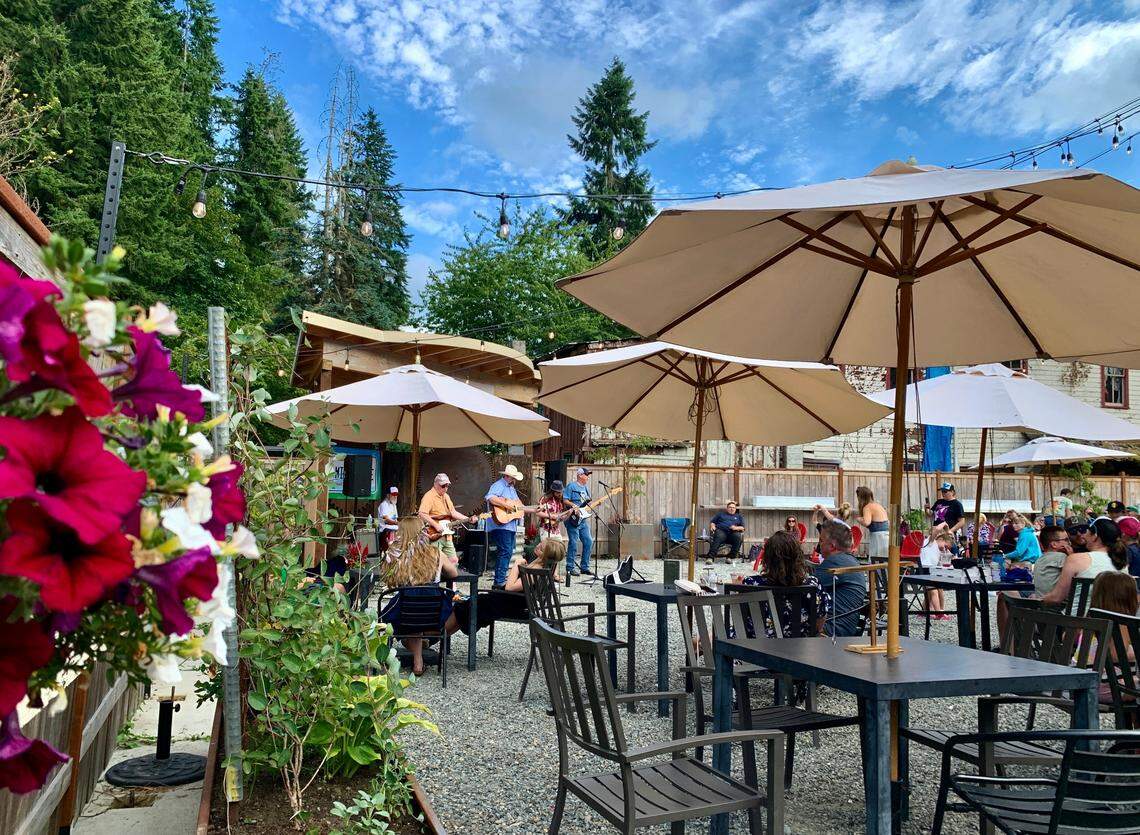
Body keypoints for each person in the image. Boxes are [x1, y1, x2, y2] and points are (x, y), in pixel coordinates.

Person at [380, 517, 458, 675]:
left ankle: (416, 658)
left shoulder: (395, 554)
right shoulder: (435, 553)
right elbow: (453, 573)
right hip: (433, 612)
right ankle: (423, 646)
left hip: (406, 612)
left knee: (409, 607)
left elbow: (386, 578)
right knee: (460, 609)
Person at [445, 538, 567, 637]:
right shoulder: (542, 564)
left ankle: (440, 634)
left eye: (541, 548)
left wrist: (516, 565)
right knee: (468, 606)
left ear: (546, 555)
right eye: (540, 543)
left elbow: (510, 587)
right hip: (512, 600)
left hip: (510, 603)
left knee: (470, 605)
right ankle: (443, 635)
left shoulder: (536, 570)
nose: (537, 546)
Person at [734, 530, 828, 638]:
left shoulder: (750, 584)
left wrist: (738, 591)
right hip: (800, 645)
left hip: (758, 645)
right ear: (798, 557)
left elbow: (740, 618)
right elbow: (820, 621)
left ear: (767, 558)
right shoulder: (813, 584)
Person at [1040, 517, 1129, 606]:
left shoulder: (1074, 559)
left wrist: (1039, 599)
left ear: (1095, 536)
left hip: (1080, 614)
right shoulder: (1121, 561)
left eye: (1085, 531)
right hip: (1111, 613)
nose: (1082, 535)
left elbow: (1056, 598)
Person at [1088, 571, 1138, 704]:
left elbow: (1066, 637)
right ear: (1129, 598)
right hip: (1108, 687)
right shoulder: (1121, 623)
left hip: (1085, 682)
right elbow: (1116, 654)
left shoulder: (1090, 617)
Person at [814, 520, 867, 637]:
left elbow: (802, 587)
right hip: (843, 627)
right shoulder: (849, 560)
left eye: (821, 541)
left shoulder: (835, 563)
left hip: (831, 631)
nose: (819, 545)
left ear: (832, 546)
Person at [485, 464, 526, 590]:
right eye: (513, 478)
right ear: (507, 476)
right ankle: (499, 581)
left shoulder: (512, 489)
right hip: (502, 526)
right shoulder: (499, 485)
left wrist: (535, 509)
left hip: (510, 525)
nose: (514, 480)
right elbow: (490, 497)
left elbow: (519, 507)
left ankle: (500, 579)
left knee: (507, 552)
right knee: (505, 551)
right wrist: (508, 506)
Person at [418, 473, 468, 565]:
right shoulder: (429, 496)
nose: (445, 488)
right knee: (434, 562)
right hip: (435, 535)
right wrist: (436, 525)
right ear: (435, 484)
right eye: (443, 486)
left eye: (447, 486)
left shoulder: (446, 496)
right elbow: (422, 513)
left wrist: (468, 519)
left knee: (453, 560)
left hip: (447, 535)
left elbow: (453, 512)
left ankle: (446, 574)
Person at [563, 467, 594, 576]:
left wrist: (593, 505)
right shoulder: (571, 486)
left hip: (583, 520)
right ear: (580, 475)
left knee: (588, 541)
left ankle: (584, 567)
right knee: (573, 542)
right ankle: (570, 567)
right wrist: (573, 505)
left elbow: (587, 503)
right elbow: (565, 500)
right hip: (573, 519)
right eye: (586, 474)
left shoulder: (585, 488)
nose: (588, 477)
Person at [1033, 525, 1072, 597]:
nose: (1069, 542)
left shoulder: (1039, 560)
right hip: (1058, 602)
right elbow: (1079, 571)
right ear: (1054, 544)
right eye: (1066, 540)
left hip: (1041, 600)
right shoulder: (1061, 557)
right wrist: (1072, 555)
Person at [855, 486, 889, 559]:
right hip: (886, 535)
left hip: (878, 537)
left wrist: (859, 519)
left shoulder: (867, 507)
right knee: (884, 560)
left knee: (877, 560)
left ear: (861, 498)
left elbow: (866, 522)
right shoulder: (878, 505)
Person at [377, 486, 400, 550]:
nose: (395, 496)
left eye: (396, 494)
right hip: (386, 529)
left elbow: (395, 518)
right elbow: (386, 520)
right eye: (393, 494)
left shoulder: (394, 505)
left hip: (394, 528)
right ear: (388, 495)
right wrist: (397, 523)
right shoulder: (383, 505)